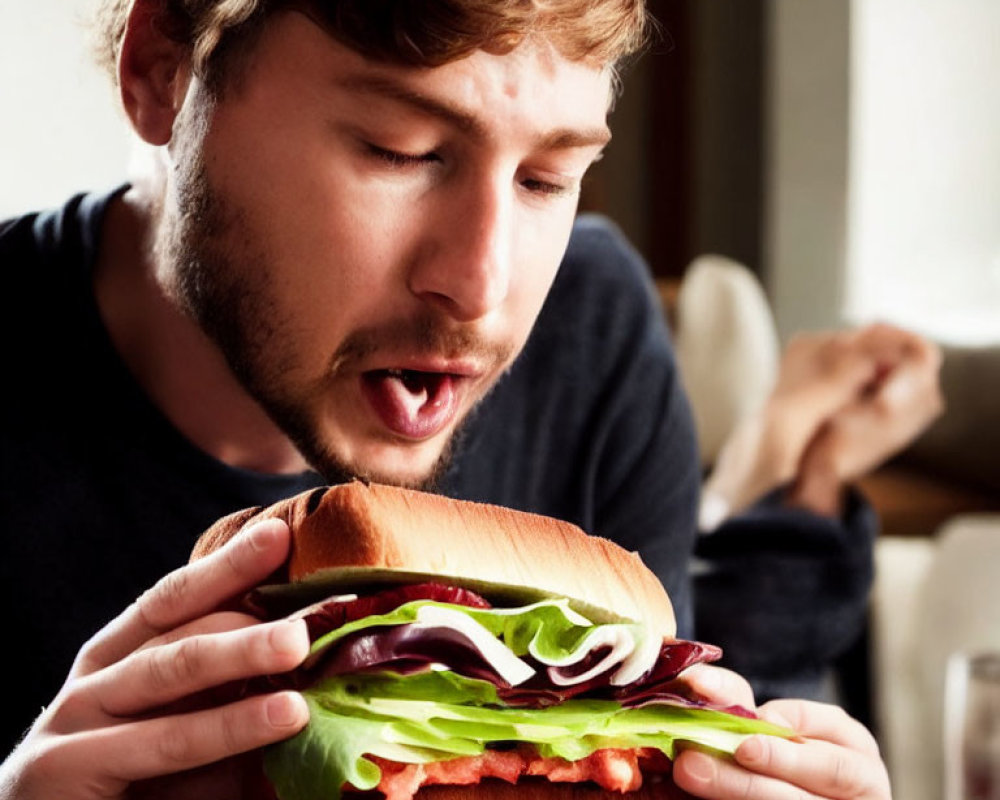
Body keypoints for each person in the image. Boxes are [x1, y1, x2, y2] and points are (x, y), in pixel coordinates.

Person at [0, 0, 925, 797]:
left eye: (546, 179)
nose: (480, 287)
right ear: (163, 69)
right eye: (399, 153)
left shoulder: (594, 327)